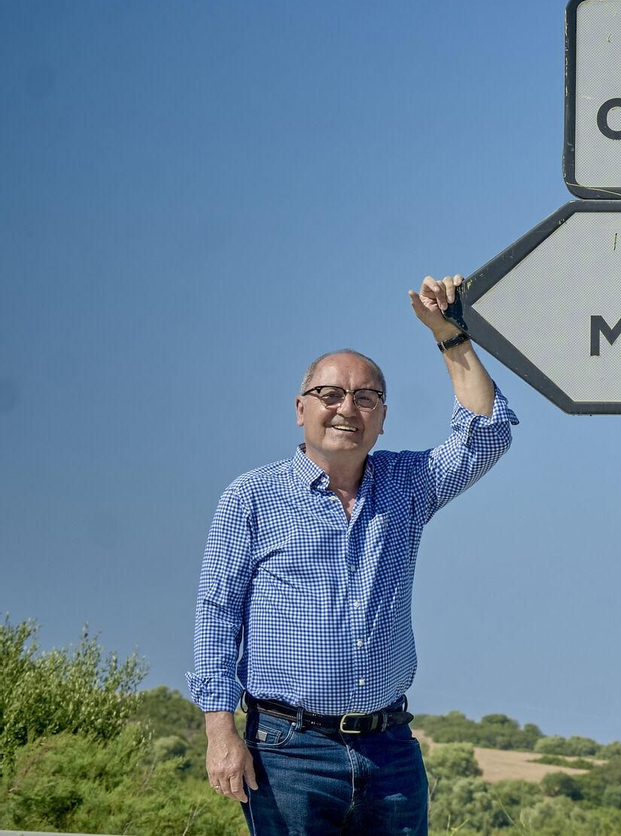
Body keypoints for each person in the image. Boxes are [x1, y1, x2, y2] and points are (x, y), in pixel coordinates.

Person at [186, 274, 517, 834]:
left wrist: (450, 335)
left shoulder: (407, 485)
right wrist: (221, 733)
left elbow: (487, 432)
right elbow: (217, 617)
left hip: (390, 751)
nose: (347, 408)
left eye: (366, 398)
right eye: (330, 394)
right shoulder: (251, 497)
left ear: (382, 419)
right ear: (299, 409)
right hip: (288, 753)